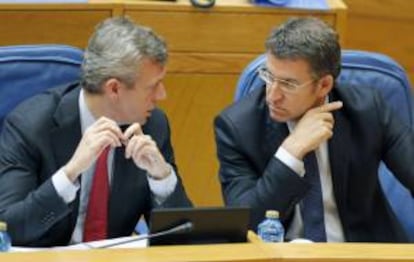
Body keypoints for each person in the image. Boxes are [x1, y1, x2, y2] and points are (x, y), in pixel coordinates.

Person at [214, 17, 414, 242]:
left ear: (324, 85)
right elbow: (247, 222)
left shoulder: (368, 110)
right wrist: (290, 153)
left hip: (362, 251)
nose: (273, 95)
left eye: (288, 84)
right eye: (269, 76)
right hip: (281, 254)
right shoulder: (237, 127)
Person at [0, 17, 192, 247]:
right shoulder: (29, 126)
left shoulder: (153, 125)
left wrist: (162, 178)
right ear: (114, 89)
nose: (162, 95)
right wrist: (69, 174)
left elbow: (182, 235)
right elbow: (9, 230)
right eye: (152, 86)